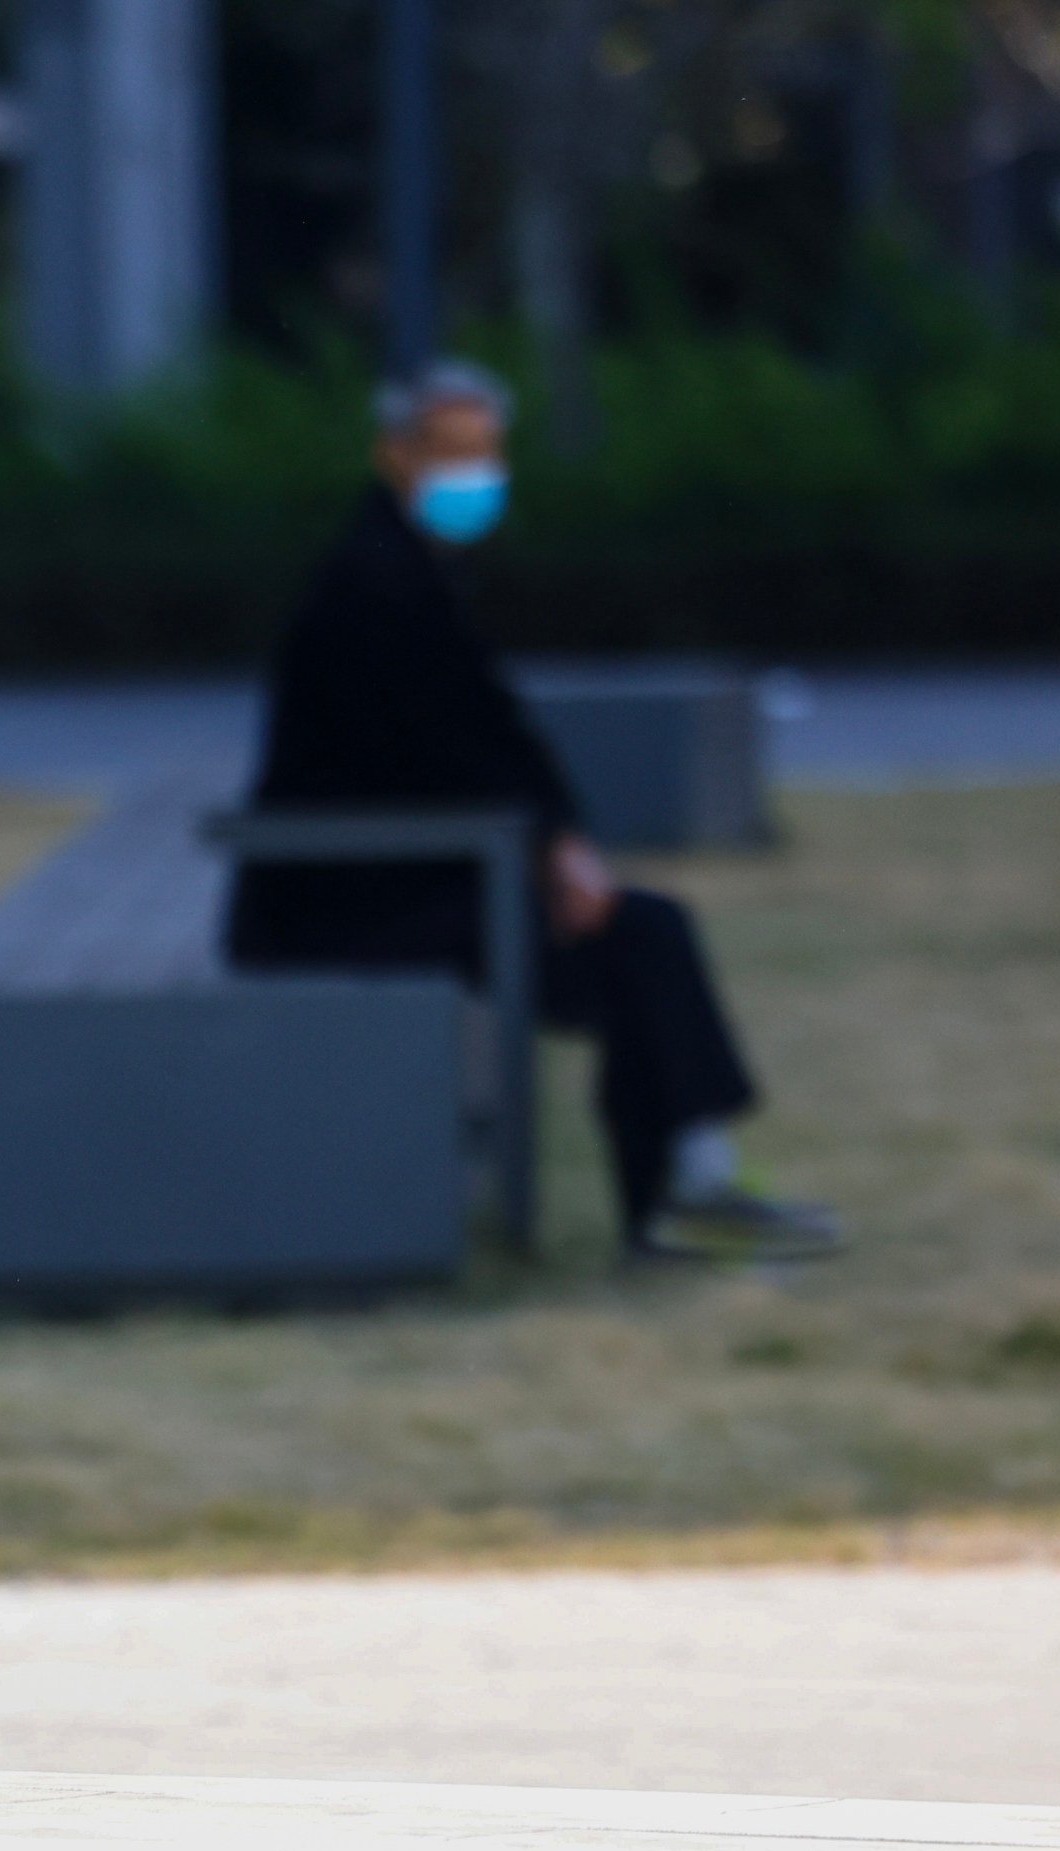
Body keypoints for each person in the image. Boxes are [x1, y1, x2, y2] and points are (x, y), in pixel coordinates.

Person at [229, 361, 838, 1263]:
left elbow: (495, 740)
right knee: (641, 939)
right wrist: (548, 853)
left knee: (635, 943)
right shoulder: (375, 587)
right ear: (393, 456)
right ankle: (684, 1185)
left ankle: (681, 1187)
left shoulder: (403, 570)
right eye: (452, 452)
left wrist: (556, 844)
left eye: (486, 452)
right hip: (353, 904)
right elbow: (441, 756)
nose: (475, 475)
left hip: (413, 875)